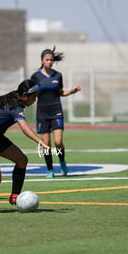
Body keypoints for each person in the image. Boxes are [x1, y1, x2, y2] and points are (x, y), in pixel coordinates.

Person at [0, 79, 50, 213]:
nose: (35, 100)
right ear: (24, 95)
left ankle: (15, 195)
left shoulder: (12, 97)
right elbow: (24, 128)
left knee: (22, 160)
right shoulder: (15, 106)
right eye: (33, 97)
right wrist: (40, 142)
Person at [30, 46, 81, 178]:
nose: (49, 62)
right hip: (42, 113)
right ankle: (50, 170)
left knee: (58, 142)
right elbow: (30, 93)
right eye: (47, 60)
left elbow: (60, 93)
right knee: (46, 144)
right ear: (42, 61)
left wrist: (72, 91)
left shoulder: (58, 76)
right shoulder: (35, 77)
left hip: (56, 111)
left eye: (51, 60)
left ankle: (62, 161)